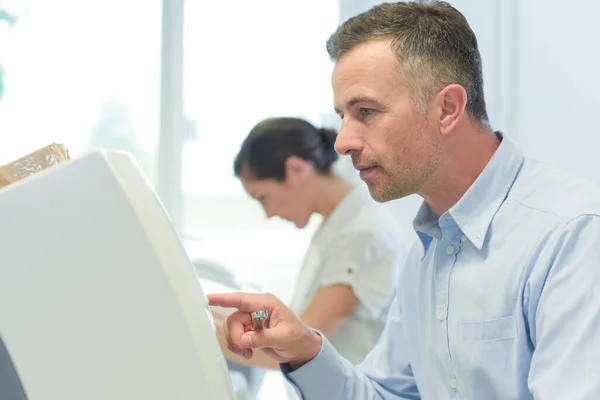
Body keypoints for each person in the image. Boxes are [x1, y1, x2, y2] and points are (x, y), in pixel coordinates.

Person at [209, 1, 600, 399]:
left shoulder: (573, 236)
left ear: (447, 108)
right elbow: (385, 394)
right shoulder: (425, 258)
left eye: (366, 111)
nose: (343, 142)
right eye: (343, 115)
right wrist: (306, 351)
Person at [211, 117, 408, 373]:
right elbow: (296, 325)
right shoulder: (339, 225)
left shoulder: (360, 234)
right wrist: (213, 315)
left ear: (296, 169)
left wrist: (196, 327)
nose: (268, 213)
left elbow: (293, 346)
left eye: (263, 197)